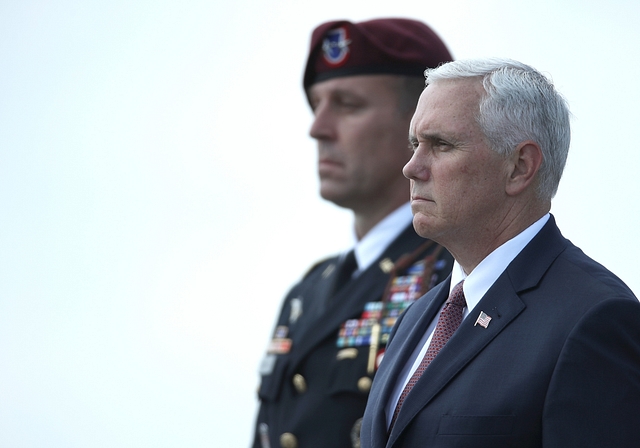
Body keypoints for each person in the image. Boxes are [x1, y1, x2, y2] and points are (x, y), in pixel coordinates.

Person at [360, 58, 640, 447]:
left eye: (441, 145)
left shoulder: (594, 317)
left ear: (520, 167)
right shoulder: (418, 316)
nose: (411, 167)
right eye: (414, 144)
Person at [252, 18, 455, 448]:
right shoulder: (307, 293)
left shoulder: (455, 276)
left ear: (421, 126)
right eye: (316, 104)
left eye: (347, 104)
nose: (317, 128)